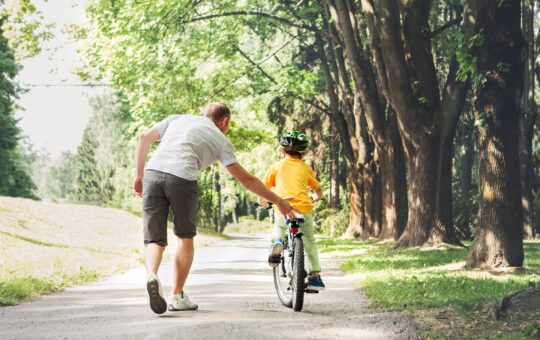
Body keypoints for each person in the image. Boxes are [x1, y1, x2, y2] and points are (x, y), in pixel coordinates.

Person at [133, 103, 297, 314]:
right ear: (225, 121)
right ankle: (176, 295)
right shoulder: (221, 139)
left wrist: (139, 175)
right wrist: (280, 201)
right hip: (182, 178)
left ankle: (152, 275)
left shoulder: (177, 118)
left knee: (154, 239)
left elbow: (143, 138)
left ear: (204, 114)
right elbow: (247, 180)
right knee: (185, 237)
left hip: (153, 173)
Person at [258, 131, 325, 291]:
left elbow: (264, 189)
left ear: (282, 151)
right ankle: (315, 276)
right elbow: (318, 189)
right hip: (304, 208)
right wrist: (316, 198)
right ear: (303, 153)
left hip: (283, 206)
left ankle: (277, 242)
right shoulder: (306, 168)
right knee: (309, 240)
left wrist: (263, 203)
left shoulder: (276, 166)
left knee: (279, 227)